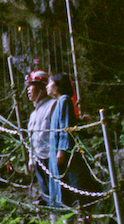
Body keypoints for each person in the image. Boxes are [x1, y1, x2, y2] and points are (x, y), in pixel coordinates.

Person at [46, 73, 86, 220]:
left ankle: (68, 216)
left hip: (60, 152)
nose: (47, 86)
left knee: (66, 185)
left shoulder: (65, 101)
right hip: (54, 150)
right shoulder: (58, 103)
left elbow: (66, 126)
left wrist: (62, 150)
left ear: (58, 85)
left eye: (49, 83)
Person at [25, 69, 56, 206]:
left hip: (51, 157)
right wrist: (31, 159)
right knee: (45, 192)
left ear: (42, 89)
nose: (28, 90)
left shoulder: (53, 106)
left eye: (31, 86)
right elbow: (32, 138)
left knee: (57, 192)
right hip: (39, 159)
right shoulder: (33, 114)